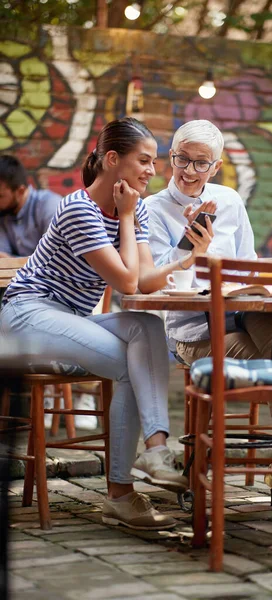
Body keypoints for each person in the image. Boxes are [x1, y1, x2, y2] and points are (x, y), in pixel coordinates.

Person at [0, 117, 193, 530]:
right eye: (143, 160)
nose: (151, 171)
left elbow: (142, 280)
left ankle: (156, 448)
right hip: (26, 314)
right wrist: (125, 218)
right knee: (127, 364)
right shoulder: (77, 209)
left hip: (68, 317)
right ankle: (122, 495)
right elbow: (125, 282)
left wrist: (189, 254)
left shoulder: (134, 206)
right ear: (111, 159)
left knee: (147, 327)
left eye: (153, 162)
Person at [145, 119, 272, 511]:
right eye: (181, 159)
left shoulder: (230, 201)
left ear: (216, 167)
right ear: (170, 157)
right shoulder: (151, 210)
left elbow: (249, 264)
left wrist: (261, 284)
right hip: (193, 331)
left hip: (241, 315)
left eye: (200, 163)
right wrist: (190, 249)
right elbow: (151, 279)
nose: (188, 171)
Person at [0, 155, 96, 430]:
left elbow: (58, 260)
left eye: (0, 194)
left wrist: (18, 261)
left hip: (69, 294)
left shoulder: (51, 206)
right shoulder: (5, 216)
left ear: (20, 190)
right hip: (27, 297)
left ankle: (83, 395)